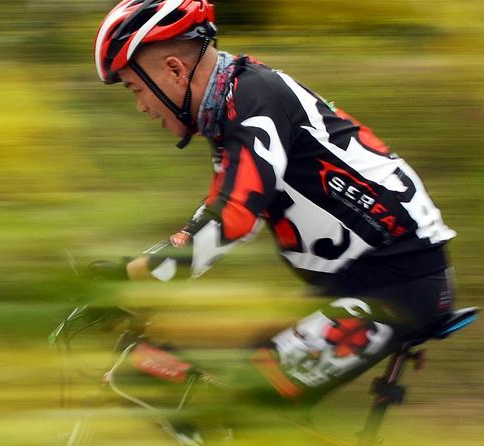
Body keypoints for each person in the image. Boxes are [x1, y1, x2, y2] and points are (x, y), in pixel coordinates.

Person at [92, 0, 457, 406]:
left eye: (135, 89)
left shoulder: (252, 100)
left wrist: (131, 278)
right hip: (357, 283)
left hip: (396, 289)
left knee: (241, 406)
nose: (141, 106)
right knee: (214, 372)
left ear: (175, 70)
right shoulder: (232, 106)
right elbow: (218, 214)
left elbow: (232, 219)